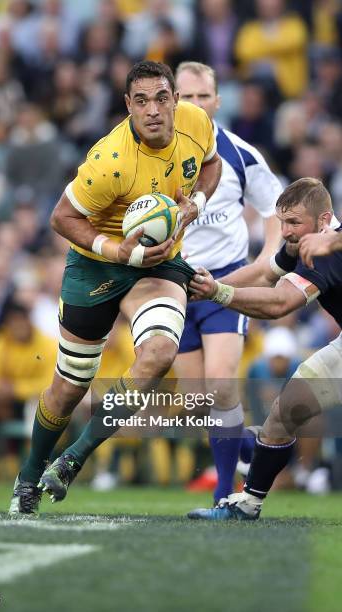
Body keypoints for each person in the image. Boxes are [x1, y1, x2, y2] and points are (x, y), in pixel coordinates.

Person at [9, 60, 222, 515]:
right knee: (70, 386)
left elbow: (212, 165)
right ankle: (28, 476)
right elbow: (61, 218)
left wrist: (195, 204)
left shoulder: (197, 123)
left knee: (161, 353)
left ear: (176, 100)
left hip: (159, 264)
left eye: (161, 98)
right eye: (140, 101)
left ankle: (74, 457)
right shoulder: (110, 160)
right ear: (128, 106)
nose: (152, 110)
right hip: (97, 265)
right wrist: (117, 250)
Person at [186, 177, 342, 520]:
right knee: (284, 413)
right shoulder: (302, 244)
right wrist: (202, 286)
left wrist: (218, 294)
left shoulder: (328, 252)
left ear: (324, 219)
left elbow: (279, 304)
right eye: (282, 221)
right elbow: (263, 275)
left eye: (294, 223)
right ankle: (248, 505)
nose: (285, 231)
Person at [173, 61, 282, 506]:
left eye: (203, 96)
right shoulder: (150, 156)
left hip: (224, 282)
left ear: (217, 101)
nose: (196, 104)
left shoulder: (240, 154)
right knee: (195, 403)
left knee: (221, 387)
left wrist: (269, 259)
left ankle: (224, 492)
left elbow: (276, 209)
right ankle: (249, 449)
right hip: (172, 285)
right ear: (171, 101)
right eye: (186, 97)